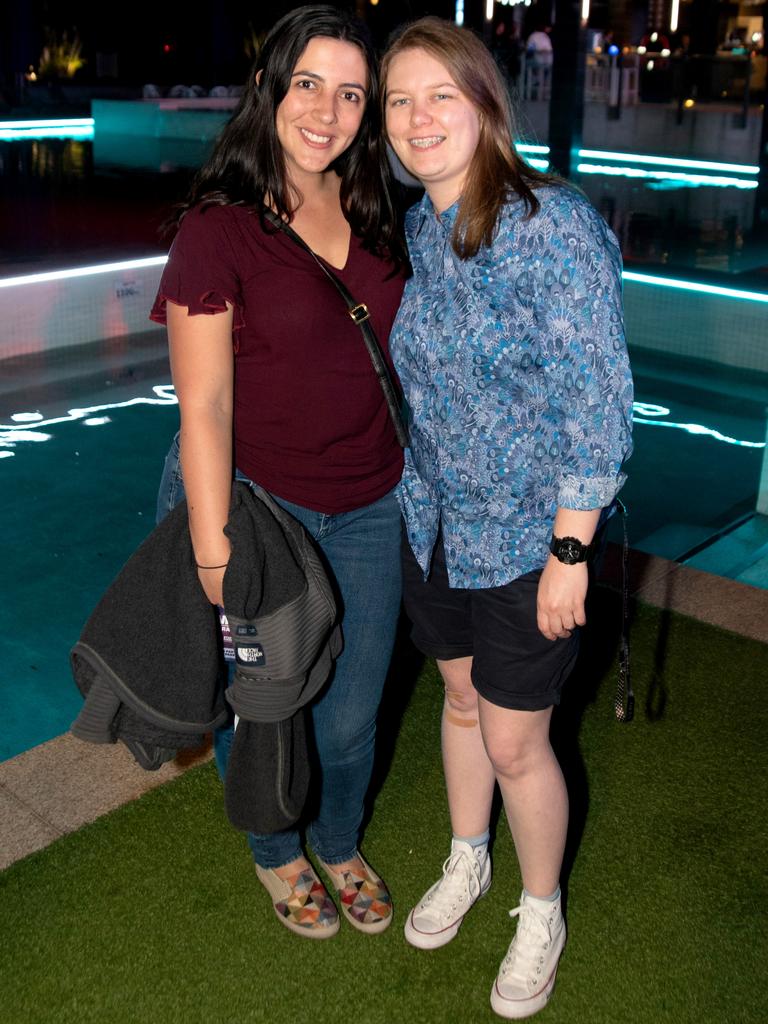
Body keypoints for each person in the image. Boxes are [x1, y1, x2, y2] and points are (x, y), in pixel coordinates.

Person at [381, 17, 633, 1020]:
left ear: (488, 105)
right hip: (436, 522)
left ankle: (541, 908)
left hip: (530, 541)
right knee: (459, 704)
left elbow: (600, 399)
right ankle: (467, 856)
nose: (417, 118)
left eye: (441, 93)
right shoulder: (420, 229)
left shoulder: (550, 224)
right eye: (400, 100)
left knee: (520, 740)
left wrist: (572, 548)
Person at [150, 4, 408, 940]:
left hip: (374, 504)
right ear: (268, 89)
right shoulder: (217, 234)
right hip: (266, 511)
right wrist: (214, 547)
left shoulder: (382, 212)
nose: (327, 111)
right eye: (309, 84)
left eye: (349, 94)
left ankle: (338, 841)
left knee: (348, 720)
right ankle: (276, 853)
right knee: (264, 710)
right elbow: (205, 407)